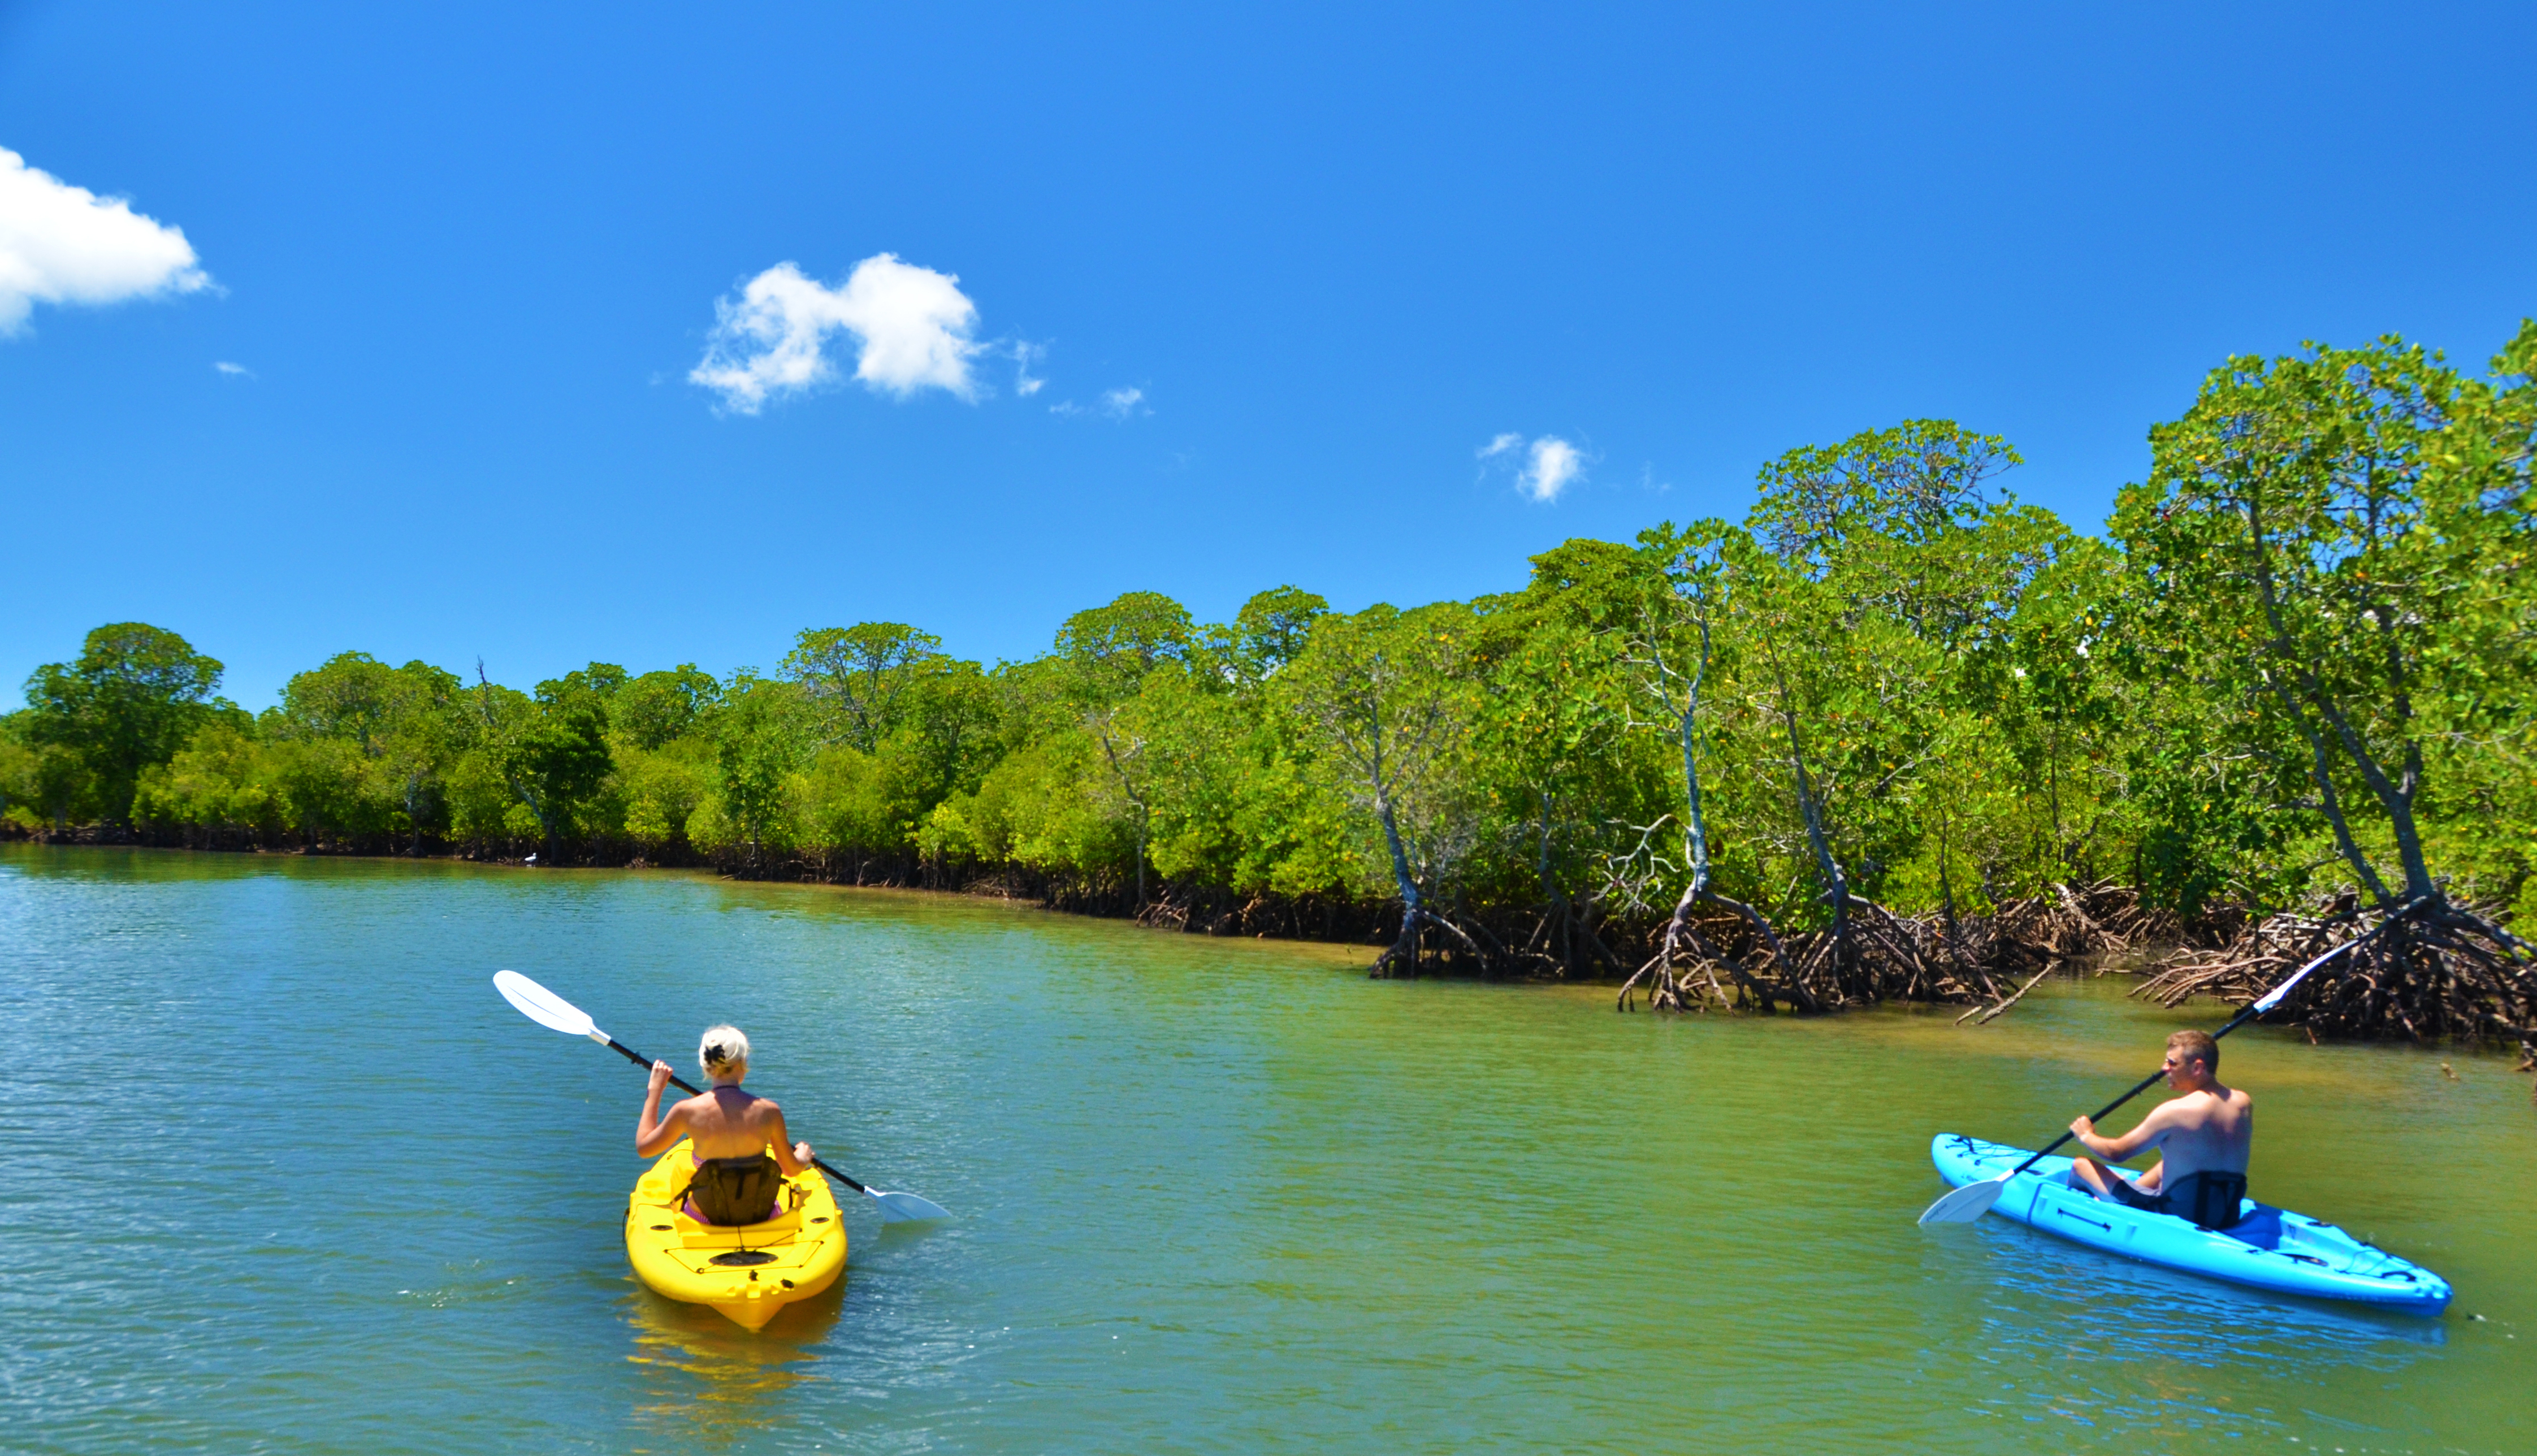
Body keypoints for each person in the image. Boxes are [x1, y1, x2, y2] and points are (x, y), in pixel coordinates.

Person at [2066, 1029, 2253, 1230]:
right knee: (2169, 1160)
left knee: (2081, 1166)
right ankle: (2132, 1190)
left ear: (2198, 1067)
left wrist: (2086, 1135)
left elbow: (2116, 1153)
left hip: (2180, 1217)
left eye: (2172, 1063)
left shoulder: (2176, 1110)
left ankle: (2091, 1205)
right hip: (2227, 1217)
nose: (2164, 1069)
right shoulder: (2243, 1102)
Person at [635, 1024, 815, 1226]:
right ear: (743, 1062)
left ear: (705, 1065)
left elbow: (644, 1148)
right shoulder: (769, 1111)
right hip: (762, 1216)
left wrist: (655, 1090)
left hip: (705, 1217)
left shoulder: (686, 1111)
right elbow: (791, 1170)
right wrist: (802, 1157)